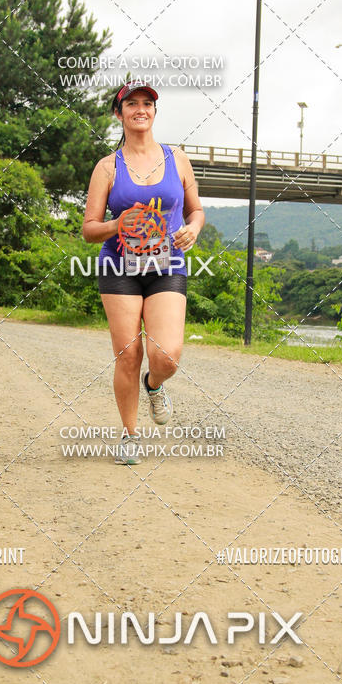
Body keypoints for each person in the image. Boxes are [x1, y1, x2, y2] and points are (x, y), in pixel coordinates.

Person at [82, 80, 205, 465]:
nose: (140, 109)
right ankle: (130, 436)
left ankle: (154, 384)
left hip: (167, 264)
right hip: (119, 266)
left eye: (147, 103)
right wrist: (118, 224)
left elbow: (196, 210)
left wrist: (193, 229)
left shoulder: (177, 158)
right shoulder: (107, 167)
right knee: (128, 353)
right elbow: (89, 229)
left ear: (154, 111)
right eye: (131, 103)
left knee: (166, 354)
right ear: (118, 114)